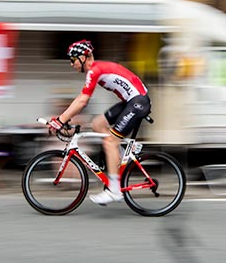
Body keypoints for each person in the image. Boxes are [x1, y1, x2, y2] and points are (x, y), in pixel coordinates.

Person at [49, 39, 152, 205]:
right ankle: (120, 154)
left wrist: (60, 120)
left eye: (72, 59)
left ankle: (114, 191)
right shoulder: (96, 70)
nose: (71, 64)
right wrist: (62, 118)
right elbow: (81, 99)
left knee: (109, 142)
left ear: (83, 57)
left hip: (137, 102)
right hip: (132, 101)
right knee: (97, 124)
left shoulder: (94, 70)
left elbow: (83, 101)